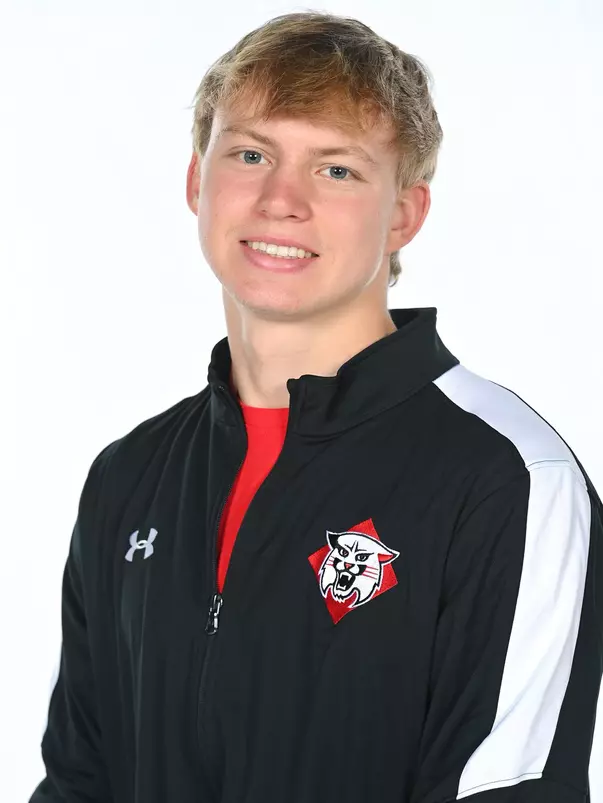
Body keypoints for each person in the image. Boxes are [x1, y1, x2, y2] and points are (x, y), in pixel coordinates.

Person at [30, 10, 602, 803]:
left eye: (335, 169)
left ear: (403, 214)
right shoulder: (130, 477)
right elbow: (78, 784)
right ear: (197, 180)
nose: (280, 200)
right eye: (251, 154)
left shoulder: (506, 478)